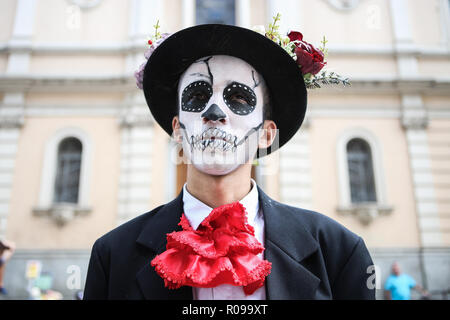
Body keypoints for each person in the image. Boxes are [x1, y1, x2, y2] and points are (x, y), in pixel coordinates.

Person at [84, 23, 375, 300]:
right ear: (176, 129)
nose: (213, 112)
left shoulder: (338, 252)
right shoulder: (112, 256)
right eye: (197, 95)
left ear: (266, 134)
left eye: (238, 98)